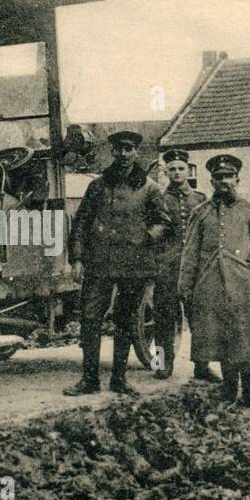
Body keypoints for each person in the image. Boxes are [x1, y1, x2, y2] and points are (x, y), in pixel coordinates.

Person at [66, 131, 172, 396]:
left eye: (128, 150)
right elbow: (80, 223)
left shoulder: (149, 188)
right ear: (111, 152)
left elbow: (163, 222)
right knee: (90, 318)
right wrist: (77, 258)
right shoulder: (98, 186)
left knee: (124, 321)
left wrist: (145, 237)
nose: (123, 155)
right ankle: (90, 380)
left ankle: (119, 379)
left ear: (136, 152)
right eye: (119, 150)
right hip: (99, 263)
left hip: (133, 264)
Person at [178, 153, 250, 405]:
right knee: (222, 338)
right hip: (211, 286)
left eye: (229, 177)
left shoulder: (249, 209)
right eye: (219, 177)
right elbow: (190, 253)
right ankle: (229, 388)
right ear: (211, 181)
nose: (224, 182)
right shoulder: (200, 213)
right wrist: (186, 285)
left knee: (247, 336)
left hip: (244, 286)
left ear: (237, 179)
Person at [151, 149, 215, 381]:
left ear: (188, 171)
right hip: (166, 269)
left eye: (181, 169)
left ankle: (202, 366)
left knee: (200, 318)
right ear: (166, 172)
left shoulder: (199, 199)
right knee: (163, 320)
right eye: (172, 169)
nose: (177, 173)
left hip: (195, 270)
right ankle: (161, 365)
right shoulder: (158, 198)